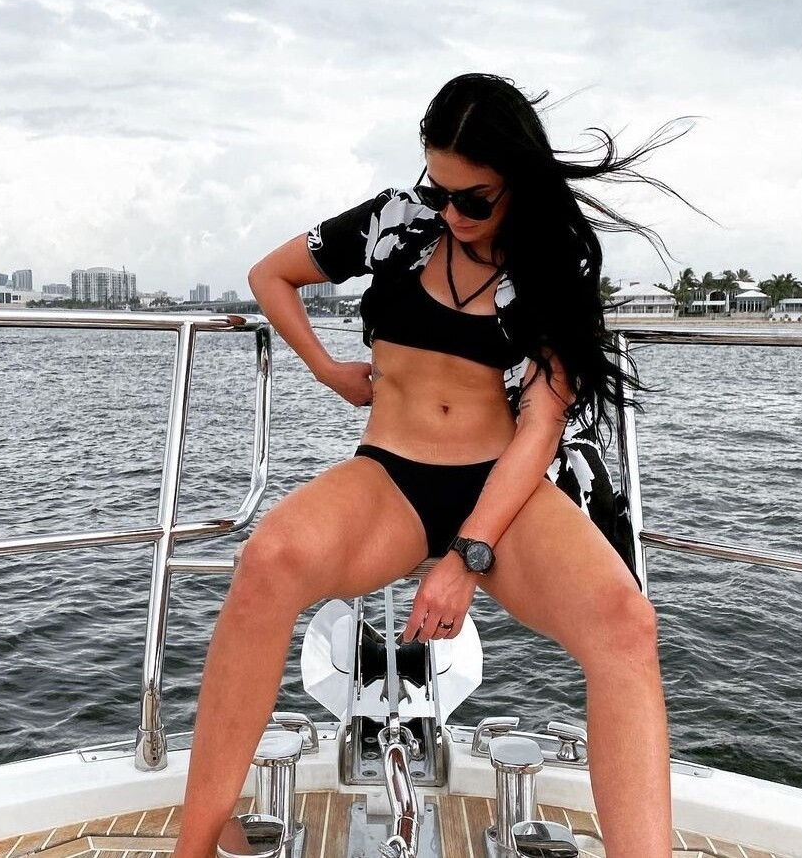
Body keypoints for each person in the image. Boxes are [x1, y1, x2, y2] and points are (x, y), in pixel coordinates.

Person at [172, 73, 689, 858]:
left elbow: (540, 426)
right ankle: (194, 847)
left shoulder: (551, 267)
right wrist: (326, 368)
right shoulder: (396, 221)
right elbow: (269, 275)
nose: (450, 213)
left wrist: (465, 556)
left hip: (502, 487)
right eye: (438, 190)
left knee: (626, 624)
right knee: (266, 561)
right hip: (392, 474)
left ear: (518, 180)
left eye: (472, 199)